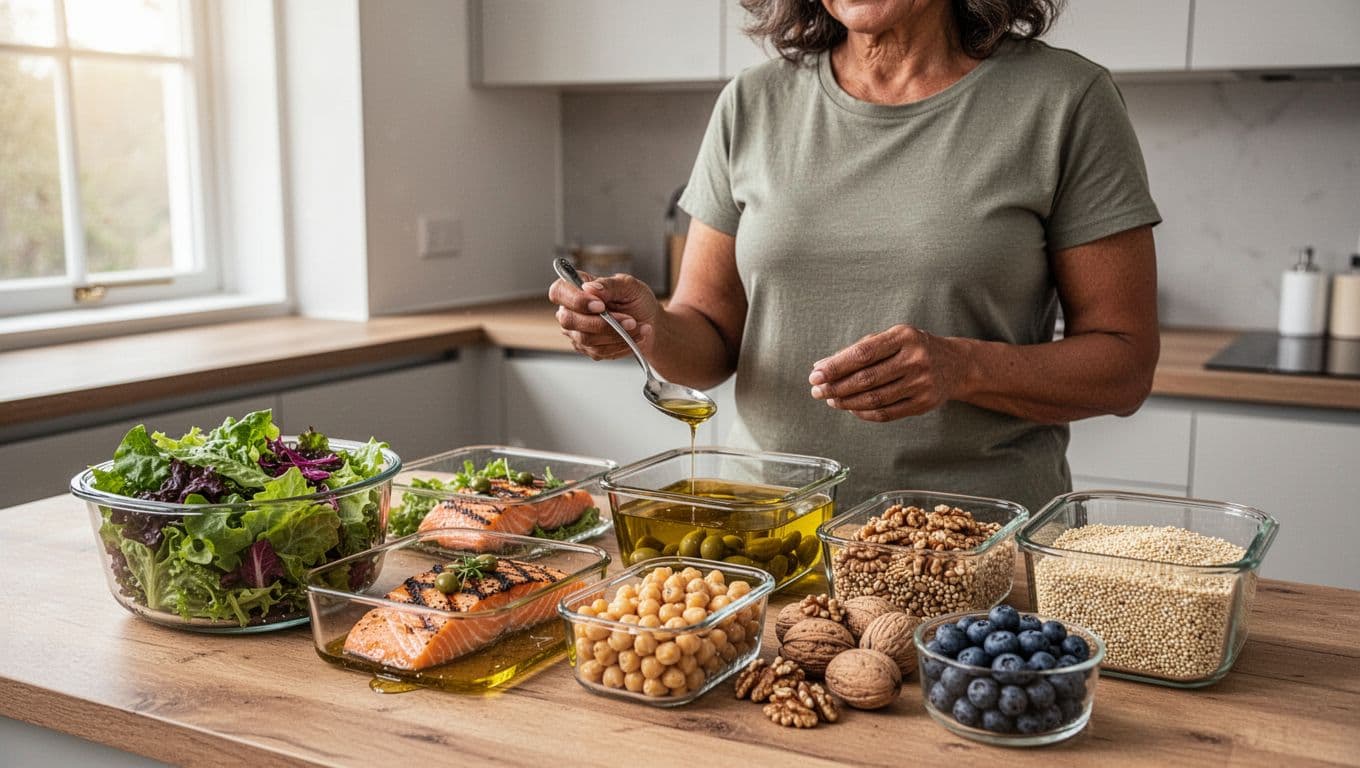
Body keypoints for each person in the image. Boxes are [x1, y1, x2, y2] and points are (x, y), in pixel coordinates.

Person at [548, 0, 1161, 514]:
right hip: (770, 531)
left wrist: (963, 367)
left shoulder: (1065, 99)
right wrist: (644, 328)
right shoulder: (752, 103)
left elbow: (1125, 365)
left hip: (974, 543)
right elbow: (709, 335)